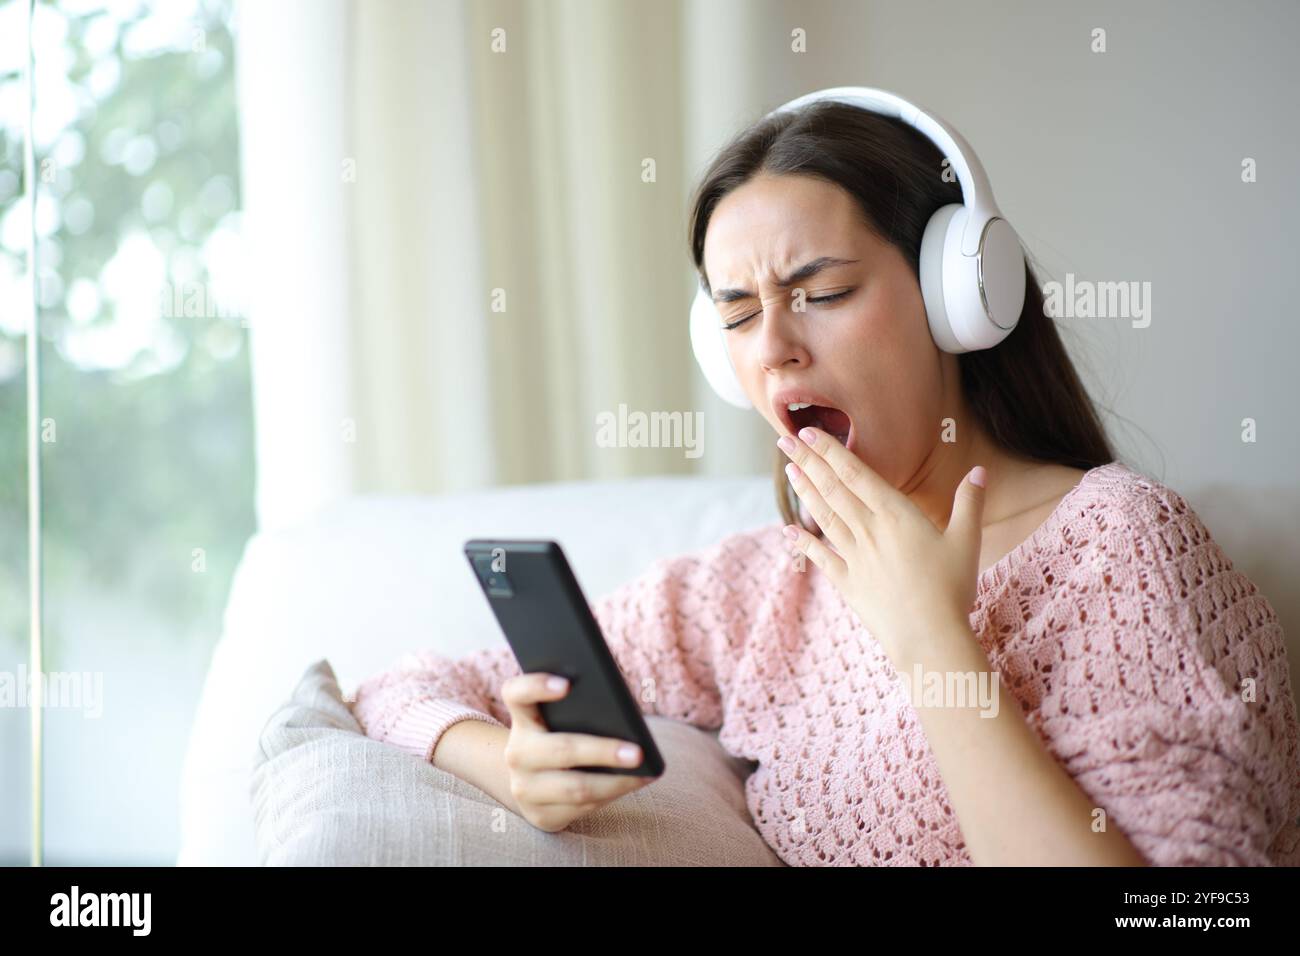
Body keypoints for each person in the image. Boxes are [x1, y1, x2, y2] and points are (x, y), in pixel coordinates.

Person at [349, 98, 1300, 866]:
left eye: (823, 293)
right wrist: (508, 765)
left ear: (954, 297)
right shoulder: (760, 591)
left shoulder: (1121, 543)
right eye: (737, 314)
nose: (774, 348)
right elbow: (399, 687)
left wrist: (931, 636)